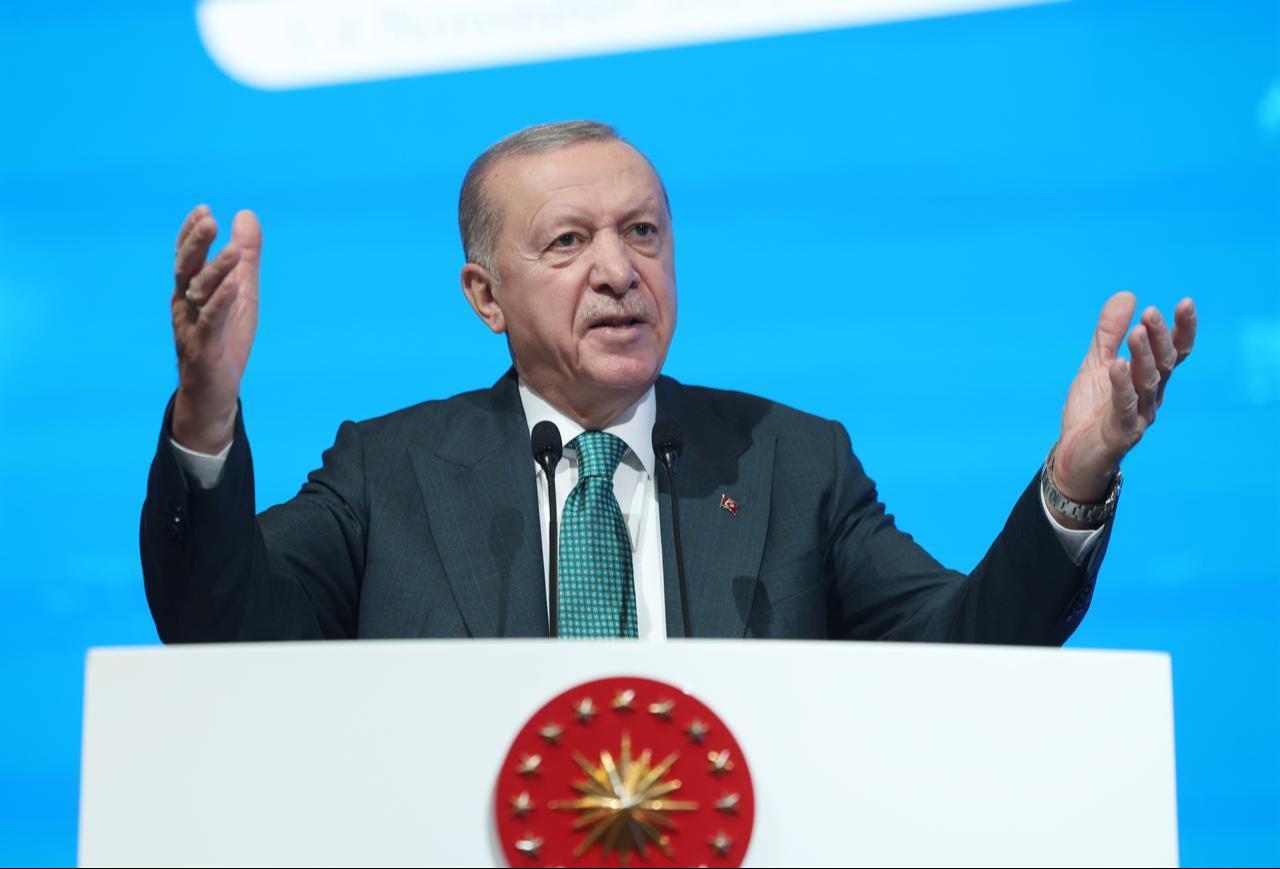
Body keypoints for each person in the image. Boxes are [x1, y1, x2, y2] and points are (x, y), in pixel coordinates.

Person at [141, 121, 1197, 644]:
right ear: (484, 296)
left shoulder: (791, 460)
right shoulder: (389, 469)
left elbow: (967, 648)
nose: (617, 268)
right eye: (566, 240)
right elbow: (219, 627)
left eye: (642, 231)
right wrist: (205, 409)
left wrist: (1072, 476)